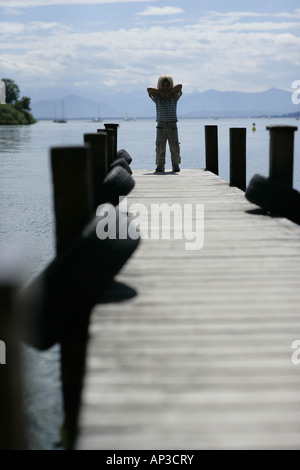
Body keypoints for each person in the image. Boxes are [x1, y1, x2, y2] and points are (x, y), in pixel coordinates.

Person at [147, 75, 182, 172]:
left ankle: (175, 164)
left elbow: (180, 86)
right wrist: (161, 92)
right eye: (163, 85)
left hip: (172, 126)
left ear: (171, 86)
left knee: (174, 146)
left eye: (168, 85)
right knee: (160, 147)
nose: (166, 87)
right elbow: (148, 89)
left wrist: (169, 92)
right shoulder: (157, 98)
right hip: (161, 126)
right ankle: (160, 165)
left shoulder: (174, 97)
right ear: (159, 86)